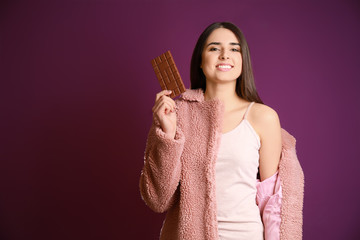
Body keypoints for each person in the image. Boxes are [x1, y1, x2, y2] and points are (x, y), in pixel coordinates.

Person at [139, 22, 304, 240]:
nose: (225, 55)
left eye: (234, 49)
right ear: (200, 60)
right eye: (214, 48)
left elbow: (273, 201)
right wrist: (168, 136)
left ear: (243, 61)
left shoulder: (264, 117)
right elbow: (157, 199)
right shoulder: (176, 113)